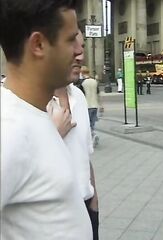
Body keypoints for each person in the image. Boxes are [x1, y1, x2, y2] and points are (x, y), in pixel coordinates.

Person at [0, 0, 93, 239]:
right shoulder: (8, 130)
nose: (79, 51)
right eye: (71, 39)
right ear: (38, 44)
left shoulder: (33, 113)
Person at [47, 30, 99, 240]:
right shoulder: (29, 102)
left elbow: (85, 154)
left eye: (83, 47)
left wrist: (94, 201)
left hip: (86, 209)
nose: (80, 55)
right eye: (71, 45)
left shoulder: (78, 95)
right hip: (54, 219)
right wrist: (53, 136)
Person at [81, 66, 101, 147]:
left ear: (82, 73)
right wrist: (100, 105)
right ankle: (93, 135)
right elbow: (98, 93)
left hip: (87, 106)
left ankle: (92, 136)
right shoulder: (94, 81)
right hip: (95, 105)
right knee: (92, 123)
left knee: (86, 124)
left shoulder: (82, 83)